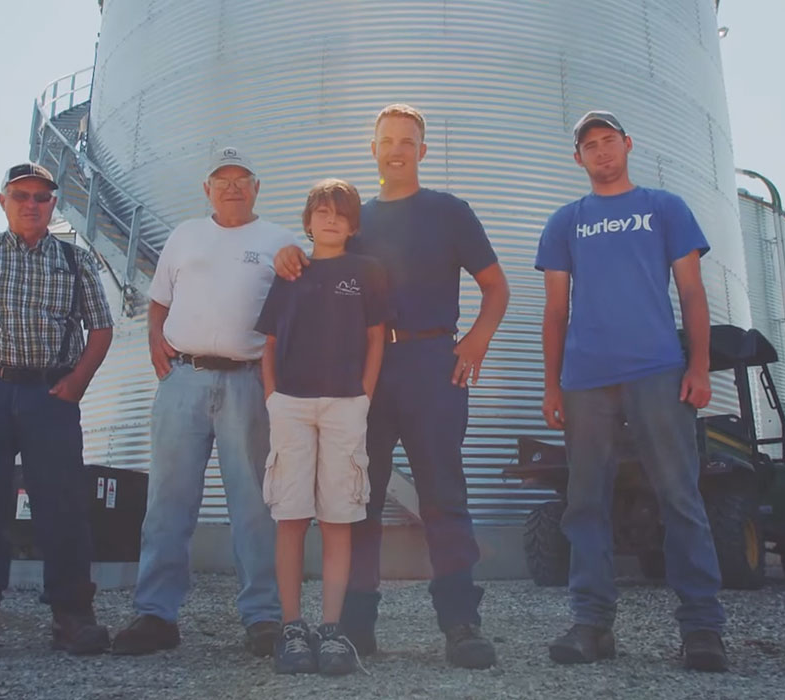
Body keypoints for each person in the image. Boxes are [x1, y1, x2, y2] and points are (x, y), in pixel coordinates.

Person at [275, 105, 510, 669]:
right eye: (387, 141)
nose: (397, 149)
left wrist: (475, 340)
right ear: (373, 149)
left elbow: (495, 287)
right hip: (368, 371)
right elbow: (320, 261)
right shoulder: (358, 219)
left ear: (422, 151)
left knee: (443, 495)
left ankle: (460, 622)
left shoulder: (450, 212)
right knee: (361, 498)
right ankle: (356, 625)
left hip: (435, 362)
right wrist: (289, 254)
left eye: (408, 141)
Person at [536, 110, 728, 672]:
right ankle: (591, 625)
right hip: (586, 380)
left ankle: (702, 630)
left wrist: (700, 366)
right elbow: (554, 312)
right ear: (579, 159)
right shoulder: (565, 222)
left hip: (657, 371)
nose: (601, 152)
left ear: (627, 144)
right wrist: (552, 384)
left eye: (609, 141)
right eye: (590, 146)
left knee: (679, 495)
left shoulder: (665, 208)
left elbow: (691, 292)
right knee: (585, 501)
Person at [0, 162, 115, 657]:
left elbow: (101, 328)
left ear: (54, 204)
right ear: (4, 201)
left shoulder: (76, 261)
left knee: (64, 507)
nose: (32, 204)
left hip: (49, 396)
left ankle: (72, 616)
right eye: (21, 195)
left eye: (42, 196)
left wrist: (77, 381)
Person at [112, 147, 292, 657]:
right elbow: (159, 300)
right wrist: (155, 340)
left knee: (255, 504)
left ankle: (262, 617)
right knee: (168, 502)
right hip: (183, 380)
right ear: (207, 189)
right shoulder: (184, 235)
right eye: (222, 179)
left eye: (242, 178)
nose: (232, 186)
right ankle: (156, 614)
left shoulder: (280, 241)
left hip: (248, 382)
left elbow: (298, 311)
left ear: (257, 188)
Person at [256, 179, 390, 675]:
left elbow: (377, 338)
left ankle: (332, 629)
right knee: (290, 516)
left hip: (344, 406)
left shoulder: (367, 272)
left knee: (338, 517)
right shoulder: (291, 271)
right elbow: (268, 342)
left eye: (340, 214)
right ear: (308, 219)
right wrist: (272, 397)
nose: (330, 220)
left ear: (353, 225)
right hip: (290, 404)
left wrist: (364, 397)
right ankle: (293, 627)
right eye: (322, 212)